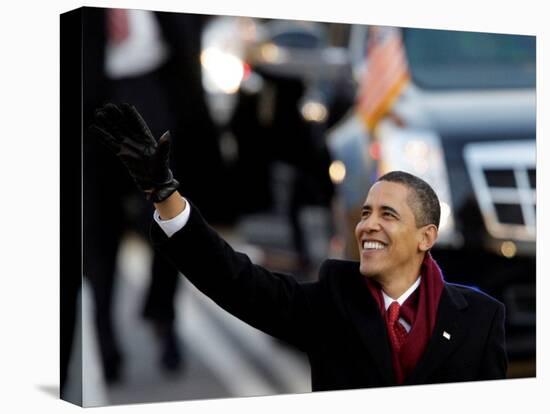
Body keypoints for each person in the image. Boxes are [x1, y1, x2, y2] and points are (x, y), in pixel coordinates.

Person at [89, 102, 507, 389]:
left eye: (388, 215)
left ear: (426, 237)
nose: (368, 226)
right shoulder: (333, 298)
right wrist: (165, 194)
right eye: (364, 213)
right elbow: (235, 280)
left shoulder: (480, 320)